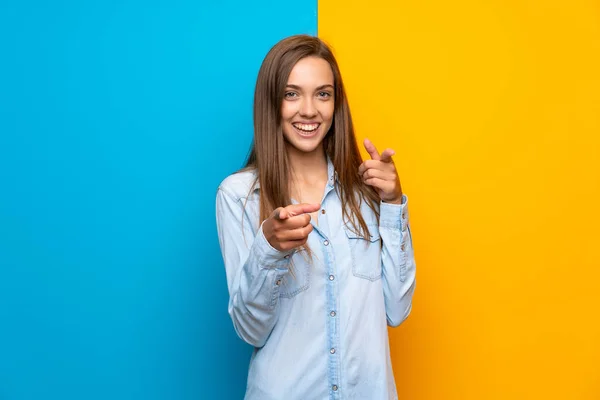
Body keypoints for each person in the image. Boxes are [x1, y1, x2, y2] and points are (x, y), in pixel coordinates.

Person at [215, 34, 416, 400]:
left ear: (336, 104)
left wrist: (392, 204)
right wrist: (269, 249)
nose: (309, 110)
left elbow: (397, 310)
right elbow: (250, 330)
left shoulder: (367, 194)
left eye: (322, 94)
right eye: (292, 94)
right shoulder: (240, 196)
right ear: (271, 103)